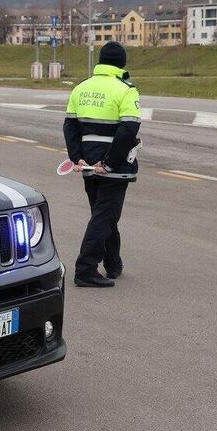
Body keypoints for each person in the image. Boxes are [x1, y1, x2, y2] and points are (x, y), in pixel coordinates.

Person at [63, 41, 141, 288]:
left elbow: (70, 126)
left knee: (104, 215)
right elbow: (128, 129)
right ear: (122, 63)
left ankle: (113, 263)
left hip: (87, 166)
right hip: (112, 168)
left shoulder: (81, 88)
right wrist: (108, 163)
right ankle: (85, 269)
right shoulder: (126, 90)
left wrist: (77, 158)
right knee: (104, 217)